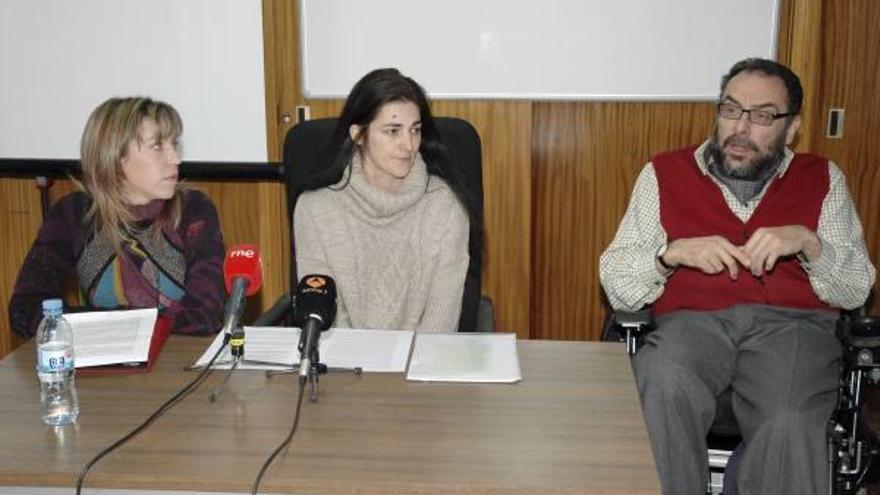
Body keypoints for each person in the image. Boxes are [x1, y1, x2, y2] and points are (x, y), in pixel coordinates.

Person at [599, 58, 876, 495]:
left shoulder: (822, 179)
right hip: (692, 325)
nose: (740, 129)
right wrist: (668, 255)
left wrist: (810, 244)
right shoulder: (664, 173)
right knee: (662, 382)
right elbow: (617, 284)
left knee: (789, 419)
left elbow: (857, 287)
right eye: (730, 110)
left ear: (792, 128)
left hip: (792, 329)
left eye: (762, 116)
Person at [9, 97, 225, 338]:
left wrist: (105, 325)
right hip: (102, 366)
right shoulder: (73, 214)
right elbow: (24, 309)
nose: (175, 159)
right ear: (115, 157)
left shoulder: (193, 209)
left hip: (178, 365)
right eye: (157, 147)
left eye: (173, 144)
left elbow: (206, 314)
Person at [293, 68, 479, 332]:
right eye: (393, 131)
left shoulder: (446, 206)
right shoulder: (315, 209)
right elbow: (328, 326)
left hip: (420, 366)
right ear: (358, 134)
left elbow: (440, 326)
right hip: (346, 366)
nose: (409, 145)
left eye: (415, 130)